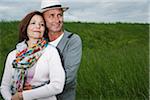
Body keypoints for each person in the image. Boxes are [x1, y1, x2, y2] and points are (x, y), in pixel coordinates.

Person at [0, 11, 65, 100]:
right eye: (33, 23)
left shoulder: (51, 52)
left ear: (44, 29)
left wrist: (23, 96)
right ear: (26, 27)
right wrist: (11, 99)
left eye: (41, 24)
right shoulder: (13, 55)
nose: (38, 26)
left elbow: (57, 86)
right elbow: (4, 86)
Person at [41, 0, 82, 100]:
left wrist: (35, 89)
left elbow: (69, 76)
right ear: (43, 19)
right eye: (51, 15)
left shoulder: (73, 40)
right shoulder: (39, 41)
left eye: (59, 15)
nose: (57, 20)